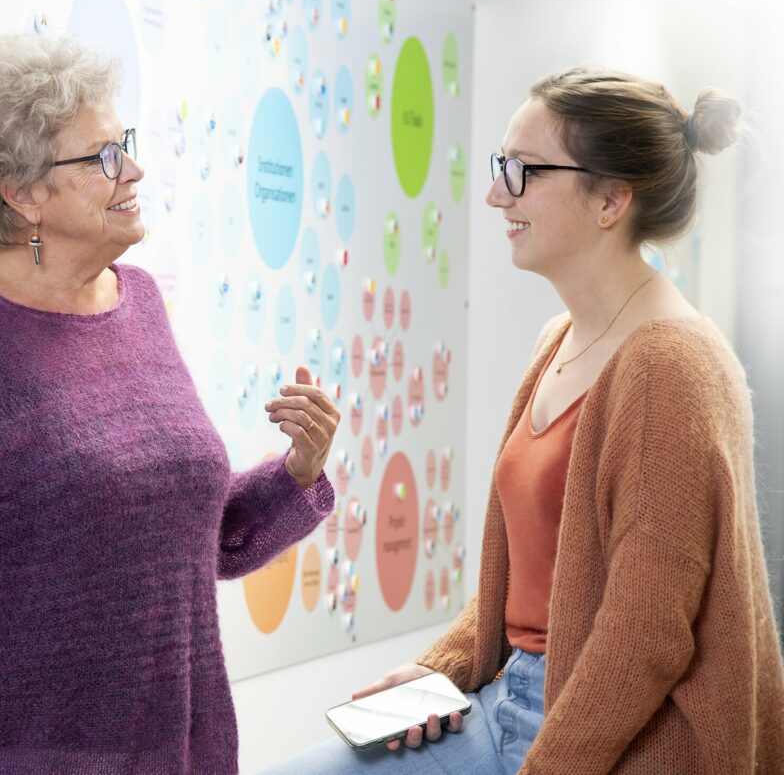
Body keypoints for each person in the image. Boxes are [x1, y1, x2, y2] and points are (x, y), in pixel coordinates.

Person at [0, 33, 338, 774]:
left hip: (170, 748)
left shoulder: (139, 300)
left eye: (128, 145)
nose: (135, 170)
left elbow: (171, 534)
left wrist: (296, 475)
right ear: (23, 194)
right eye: (105, 157)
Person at [266, 67, 784, 774]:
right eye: (498, 166)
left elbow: (645, 636)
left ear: (610, 199)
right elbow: (532, 574)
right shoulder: (557, 340)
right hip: (509, 692)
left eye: (522, 172)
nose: (494, 193)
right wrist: (442, 668)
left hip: (613, 735)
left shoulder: (673, 368)